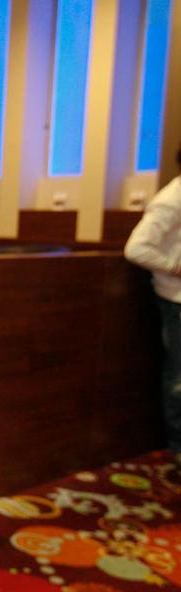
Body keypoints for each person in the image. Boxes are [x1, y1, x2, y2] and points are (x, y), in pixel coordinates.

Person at [124, 145, 181, 462]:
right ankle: (177, 449)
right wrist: (175, 267)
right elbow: (136, 249)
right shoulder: (171, 199)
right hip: (175, 299)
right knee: (179, 377)